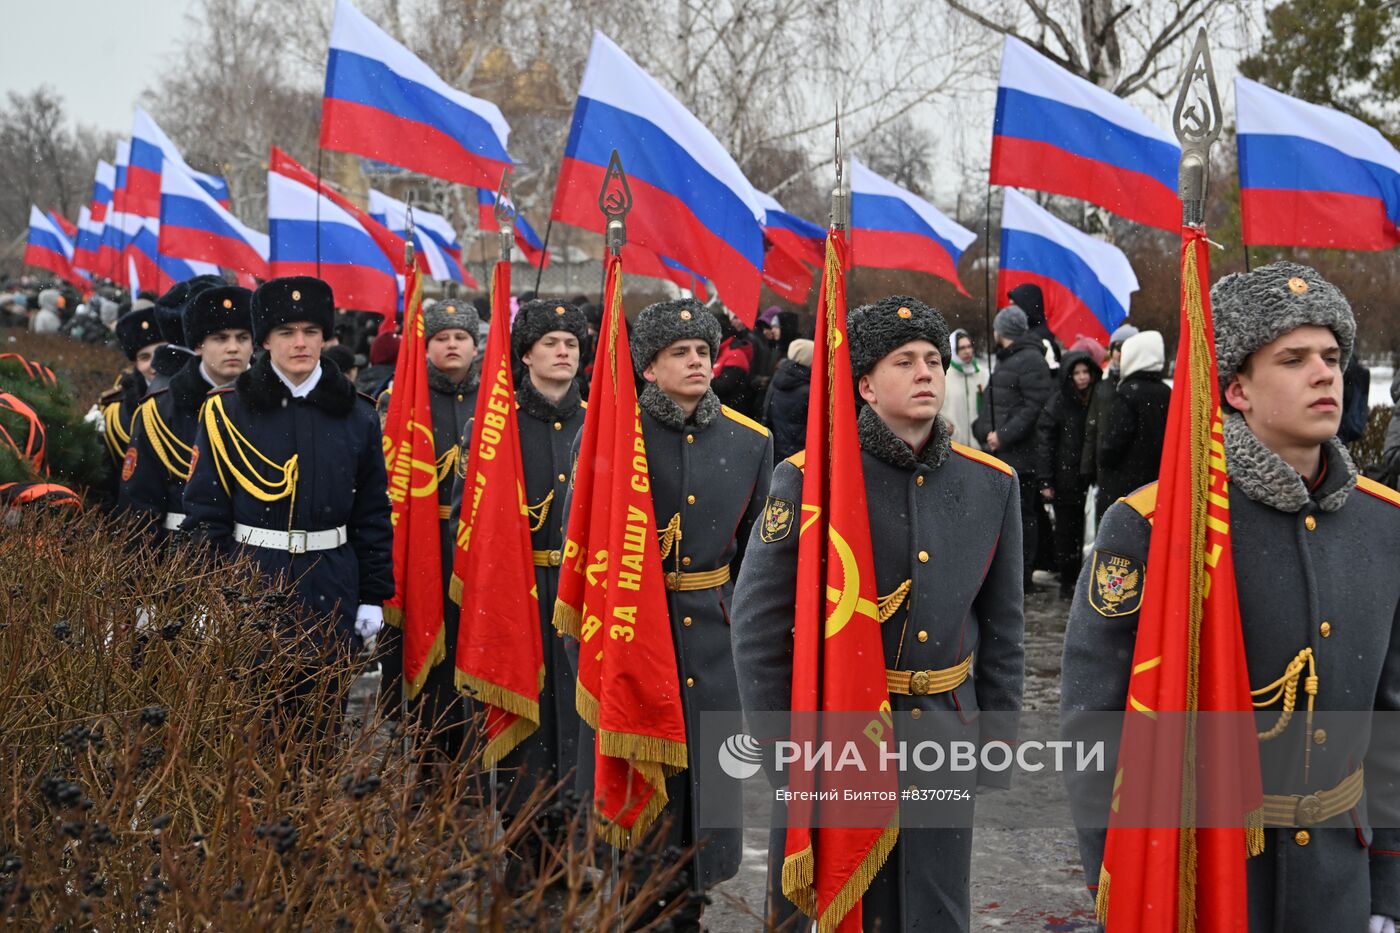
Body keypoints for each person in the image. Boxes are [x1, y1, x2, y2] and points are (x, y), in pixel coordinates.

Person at [1062, 261, 1400, 932]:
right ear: (1237, 388)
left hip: (1340, 884)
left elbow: (1391, 728)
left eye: (1332, 356)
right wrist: (1129, 885)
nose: (1324, 372)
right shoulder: (1155, 525)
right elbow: (1095, 729)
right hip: (1202, 881)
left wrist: (1388, 889)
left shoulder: (1384, 521)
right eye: (1294, 357)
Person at [732, 294, 1025, 931]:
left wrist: (996, 739)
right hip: (836, 736)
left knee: (936, 906)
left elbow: (1003, 630)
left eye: (933, 361)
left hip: (944, 734)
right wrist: (783, 745)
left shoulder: (992, 484)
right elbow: (758, 623)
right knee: (837, 911)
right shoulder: (810, 481)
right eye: (904, 361)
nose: (926, 373)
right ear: (864, 384)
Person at [573, 297, 773, 926]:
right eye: (678, 354)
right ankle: (638, 902)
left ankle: (692, 898)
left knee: (706, 786)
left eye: (703, 352)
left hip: (715, 638)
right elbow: (584, 533)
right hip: (634, 627)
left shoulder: (750, 442)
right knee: (639, 782)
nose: (695, 362)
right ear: (649, 368)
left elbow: (764, 558)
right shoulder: (612, 433)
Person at [182, 275, 393, 664]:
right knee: (251, 719)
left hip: (332, 583)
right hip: (251, 582)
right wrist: (206, 593)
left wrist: (372, 597)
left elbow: (372, 513)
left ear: (325, 338)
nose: (300, 342)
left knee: (323, 718)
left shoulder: (358, 413)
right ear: (264, 340)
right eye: (286, 331)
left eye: (311, 331)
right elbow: (205, 513)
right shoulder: (228, 409)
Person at [464, 298, 589, 875]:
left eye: (571, 343)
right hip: (519, 588)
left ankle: (574, 847)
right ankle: (523, 848)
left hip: (582, 590)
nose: (564, 352)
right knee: (528, 721)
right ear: (526, 355)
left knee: (581, 723)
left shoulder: (602, 420)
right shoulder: (494, 424)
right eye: (552, 343)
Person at [376, 298, 481, 758]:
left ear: (476, 347)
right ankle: (425, 753)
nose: (452, 345)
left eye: (461, 338)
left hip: (476, 545)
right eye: (442, 338)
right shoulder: (402, 399)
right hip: (422, 544)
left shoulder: (496, 400)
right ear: (426, 345)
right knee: (421, 656)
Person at [120, 286, 253, 538]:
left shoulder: (271, 402)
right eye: (220, 338)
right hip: (178, 549)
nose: (233, 347)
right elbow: (139, 506)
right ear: (199, 345)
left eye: (242, 337)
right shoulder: (159, 411)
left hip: (252, 558)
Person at [974, 305, 1054, 587]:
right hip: (1003, 453)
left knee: (1023, 517)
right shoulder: (1008, 359)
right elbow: (1000, 405)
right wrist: (982, 429)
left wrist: (1003, 436)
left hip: (1021, 456)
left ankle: (1021, 575)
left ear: (1002, 331)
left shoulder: (1031, 359)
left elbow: (1034, 408)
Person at [1036, 350, 1097, 599]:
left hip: (1084, 476)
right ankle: (1068, 580)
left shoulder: (1093, 400)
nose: (1082, 378)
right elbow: (1045, 444)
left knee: (1081, 530)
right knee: (1066, 531)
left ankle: (1074, 576)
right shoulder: (1058, 403)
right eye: (1077, 373)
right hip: (1065, 478)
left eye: (1085, 372)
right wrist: (1046, 479)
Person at [1095, 330, 1170, 515]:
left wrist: (1104, 461)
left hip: (1126, 485)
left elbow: (1114, 442)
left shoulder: (1127, 393)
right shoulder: (1167, 392)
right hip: (1158, 482)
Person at [100, 301, 164, 480]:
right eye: (145, 357)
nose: (154, 365)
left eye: (160, 353)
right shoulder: (115, 411)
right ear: (135, 364)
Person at [1080, 323, 1138, 502]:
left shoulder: (1141, 388)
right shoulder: (1102, 388)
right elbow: (1092, 430)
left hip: (1135, 471)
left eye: (1128, 347)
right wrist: (1087, 468)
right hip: (1105, 471)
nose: (1121, 353)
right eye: (1118, 347)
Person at [762, 337, 813, 462]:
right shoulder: (808, 389)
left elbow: (766, 410)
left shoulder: (779, 377)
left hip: (777, 448)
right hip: (800, 455)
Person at [944, 327, 989, 448]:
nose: (967, 351)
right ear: (953, 350)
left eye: (969, 346)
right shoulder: (944, 376)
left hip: (980, 448)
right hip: (954, 447)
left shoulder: (983, 374)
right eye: (962, 348)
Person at [1008, 282, 1062, 366]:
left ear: (1027, 306)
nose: (1009, 310)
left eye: (1014, 305)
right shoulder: (1022, 333)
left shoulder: (1042, 341)